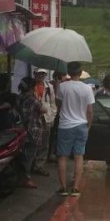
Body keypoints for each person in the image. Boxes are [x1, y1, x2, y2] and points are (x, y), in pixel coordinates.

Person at [55, 62, 95, 197]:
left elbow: (58, 105)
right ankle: (76, 188)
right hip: (81, 125)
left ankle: (63, 188)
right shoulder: (87, 88)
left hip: (65, 125)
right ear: (81, 72)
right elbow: (89, 111)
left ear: (68, 72)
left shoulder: (62, 87)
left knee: (62, 156)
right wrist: (88, 125)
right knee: (79, 156)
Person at [16, 77, 45, 188]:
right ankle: (26, 179)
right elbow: (44, 109)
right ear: (32, 87)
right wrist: (38, 98)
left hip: (21, 130)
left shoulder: (19, 97)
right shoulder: (32, 99)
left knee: (23, 155)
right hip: (33, 130)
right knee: (29, 156)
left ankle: (22, 177)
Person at [33, 69, 55, 176]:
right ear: (35, 74)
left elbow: (53, 103)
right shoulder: (31, 86)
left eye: (43, 74)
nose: (41, 76)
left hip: (47, 118)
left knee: (45, 143)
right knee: (34, 142)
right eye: (39, 74)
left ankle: (39, 165)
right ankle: (32, 163)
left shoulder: (49, 87)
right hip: (34, 118)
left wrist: (52, 116)